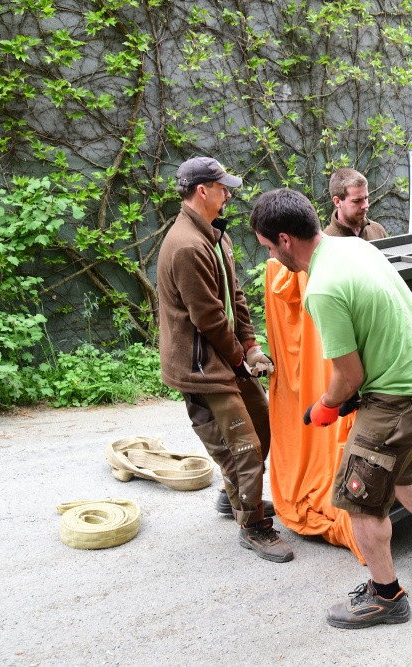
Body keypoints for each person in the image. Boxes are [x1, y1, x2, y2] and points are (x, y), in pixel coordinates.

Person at [249, 188, 412, 629]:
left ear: (284, 239)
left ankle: (386, 597)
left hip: (401, 398)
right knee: (399, 475)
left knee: (358, 499)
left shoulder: (322, 289)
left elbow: (348, 377)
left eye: (268, 247)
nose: (270, 257)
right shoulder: (354, 247)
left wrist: (324, 406)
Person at [157, 156, 292, 563]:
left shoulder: (216, 235)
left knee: (262, 424)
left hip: (226, 355)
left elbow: (234, 297)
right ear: (203, 191)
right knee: (243, 448)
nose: (229, 195)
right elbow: (209, 319)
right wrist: (238, 358)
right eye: (222, 188)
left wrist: (250, 346)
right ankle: (253, 527)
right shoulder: (186, 246)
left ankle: (233, 494)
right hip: (201, 366)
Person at [324, 168, 388, 240]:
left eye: (366, 198)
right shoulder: (327, 241)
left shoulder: (378, 231)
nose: (366, 205)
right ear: (337, 202)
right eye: (357, 201)